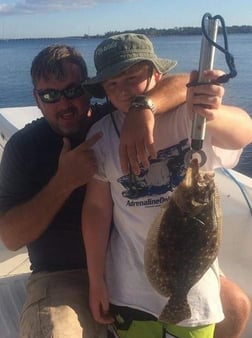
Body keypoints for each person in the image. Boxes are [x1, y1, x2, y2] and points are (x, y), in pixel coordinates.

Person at [0, 44, 188, 338]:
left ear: (89, 89)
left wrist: (143, 109)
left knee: (236, 306)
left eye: (73, 90)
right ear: (37, 100)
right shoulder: (24, 148)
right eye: (50, 95)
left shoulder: (116, 118)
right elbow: (11, 237)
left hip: (137, 264)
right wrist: (64, 181)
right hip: (63, 275)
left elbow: (188, 82)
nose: (64, 103)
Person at [82, 33, 252, 338]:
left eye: (132, 77)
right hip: (128, 288)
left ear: (157, 75)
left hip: (195, 296)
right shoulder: (102, 136)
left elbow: (243, 132)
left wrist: (210, 112)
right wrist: (97, 280)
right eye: (112, 85)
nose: (122, 90)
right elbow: (96, 209)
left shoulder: (190, 120)